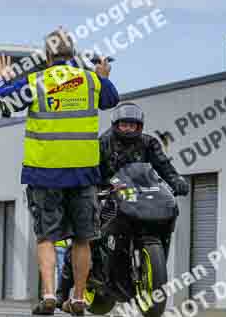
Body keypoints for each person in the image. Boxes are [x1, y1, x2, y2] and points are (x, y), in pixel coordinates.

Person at [0, 28, 119, 316]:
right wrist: (102, 74)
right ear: (73, 55)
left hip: (44, 173)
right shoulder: (90, 80)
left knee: (46, 237)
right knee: (83, 238)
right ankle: (77, 298)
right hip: (83, 174)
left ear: (48, 57)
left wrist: (2, 78)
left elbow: (5, 102)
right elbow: (111, 99)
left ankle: (49, 294)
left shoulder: (37, 81)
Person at [56, 102, 189, 310]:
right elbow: (89, 169)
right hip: (106, 195)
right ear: (116, 125)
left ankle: (143, 274)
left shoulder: (149, 143)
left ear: (139, 126)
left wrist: (176, 181)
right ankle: (61, 292)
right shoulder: (103, 143)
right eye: (124, 125)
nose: (128, 128)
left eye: (132, 125)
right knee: (84, 236)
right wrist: (90, 188)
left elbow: (164, 166)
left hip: (138, 197)